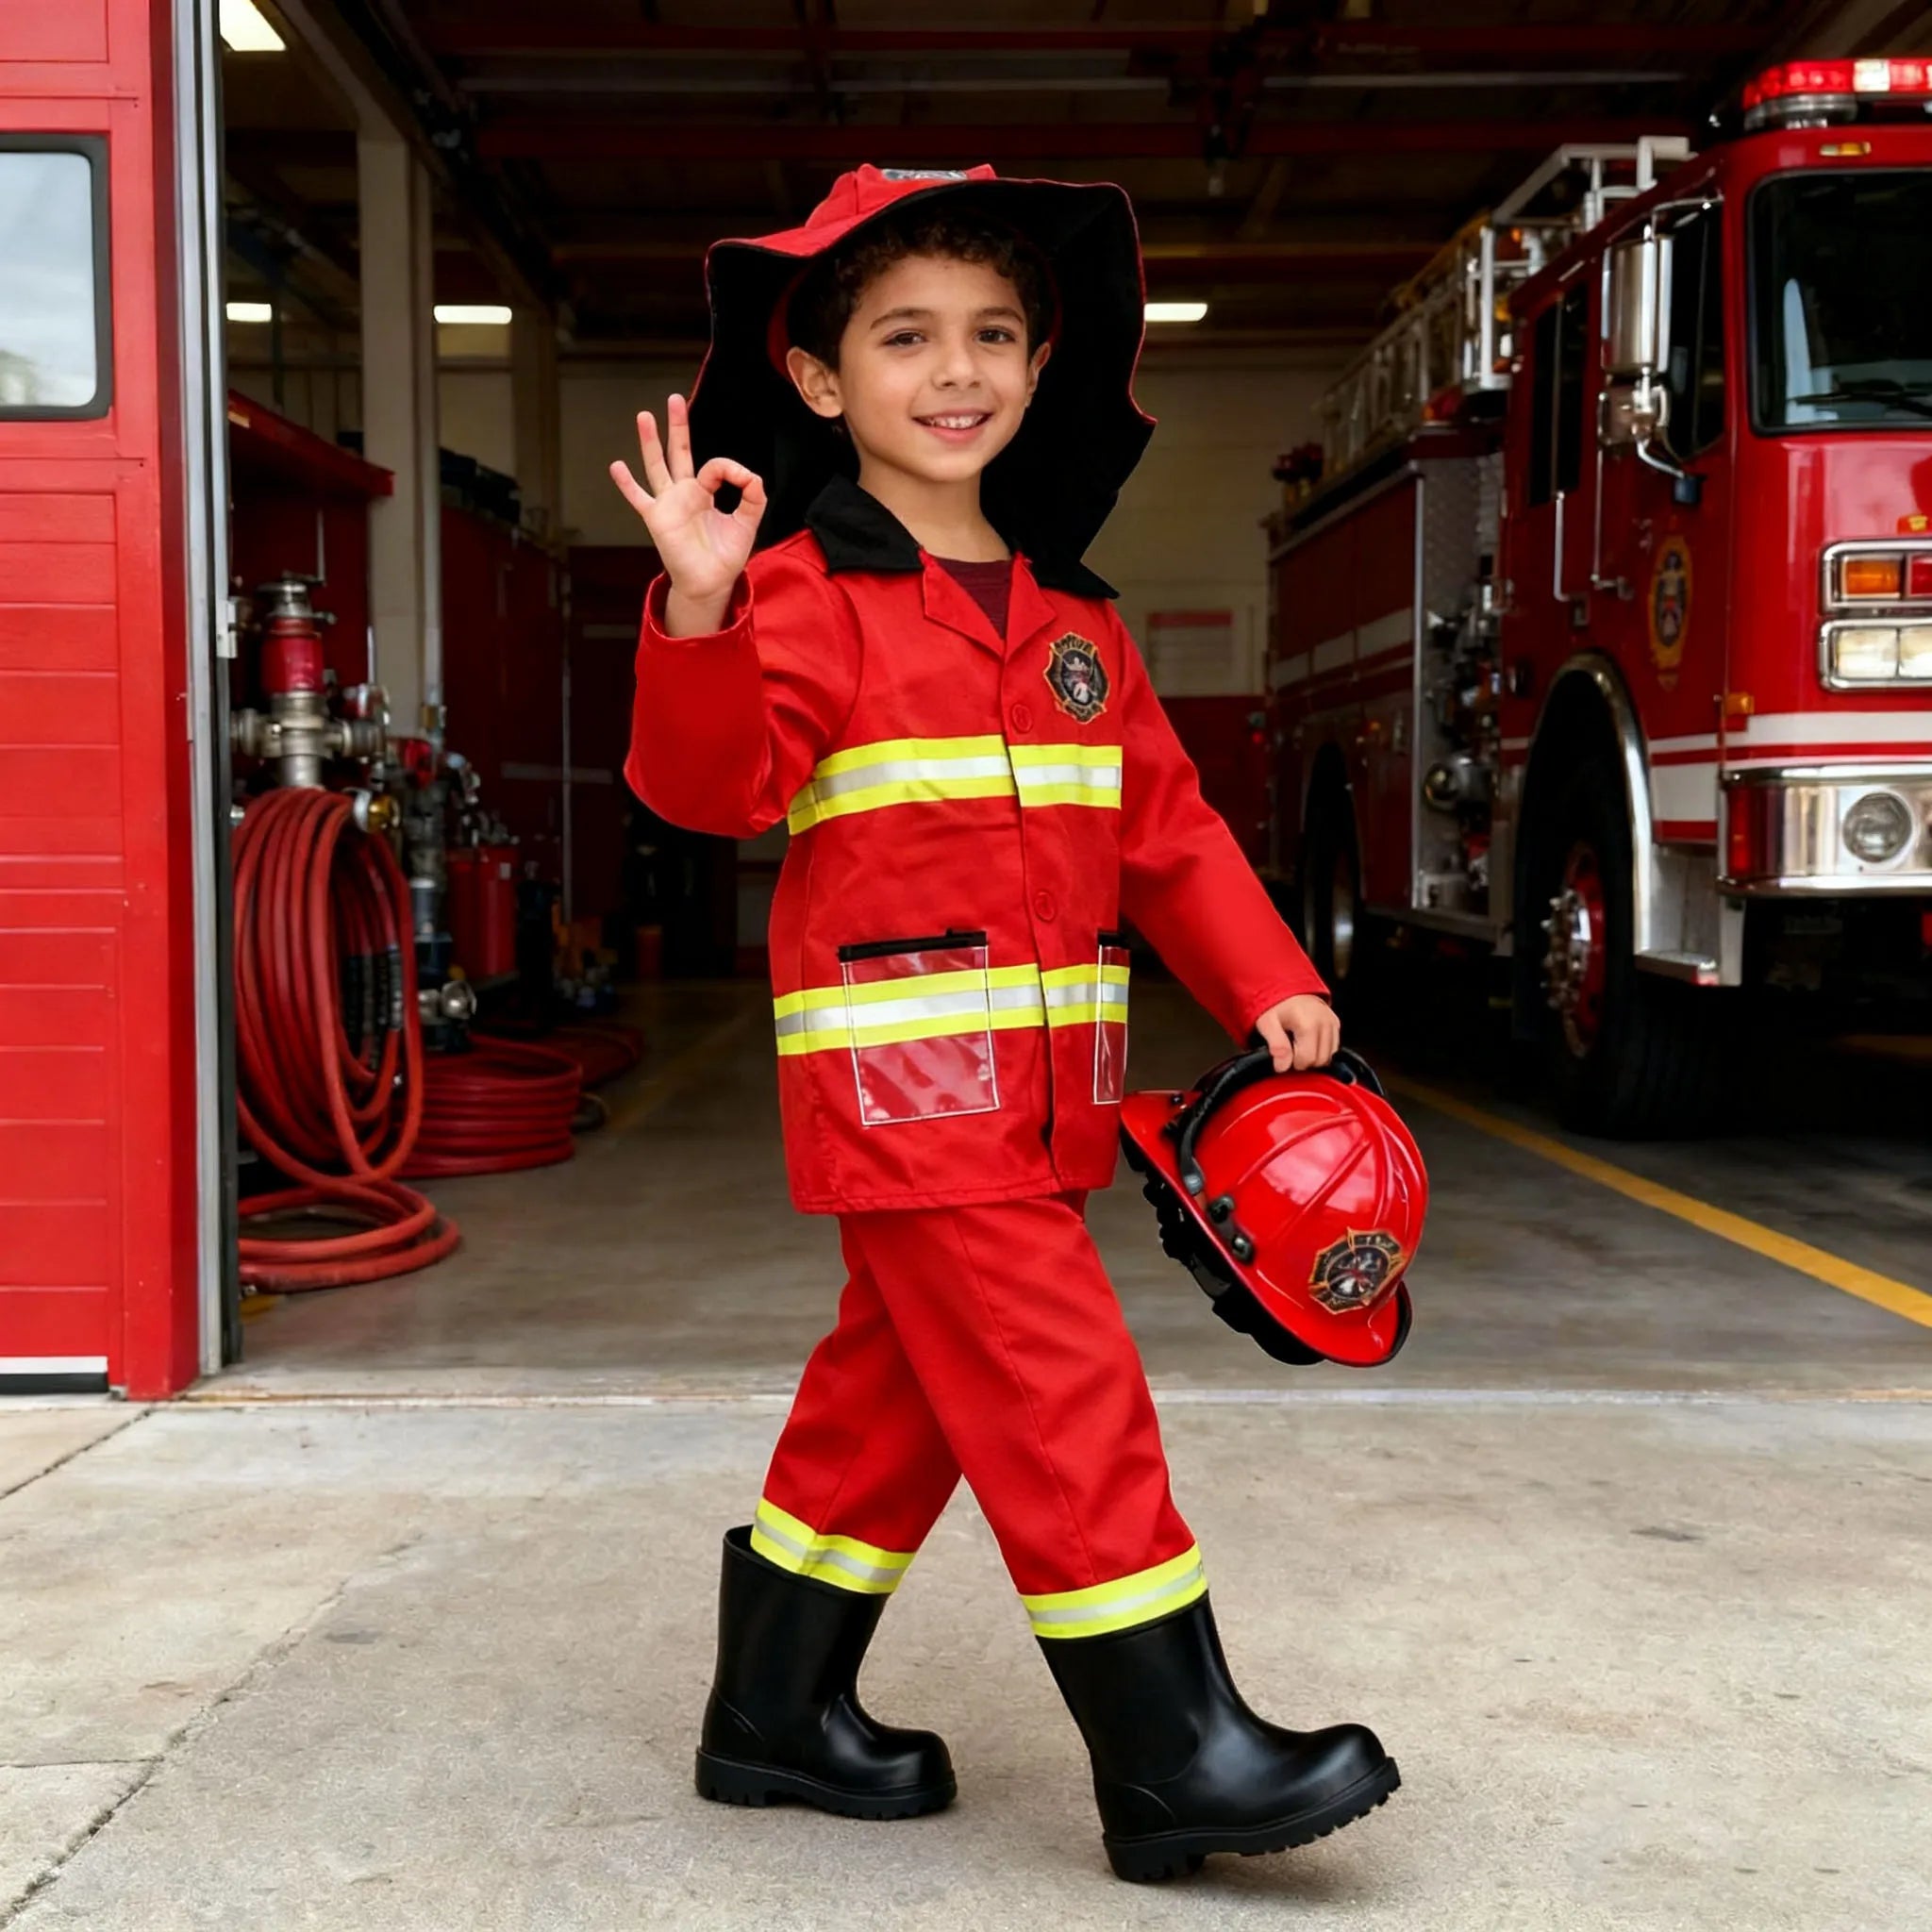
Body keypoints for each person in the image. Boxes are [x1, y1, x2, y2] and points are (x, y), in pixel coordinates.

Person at [614, 163, 1397, 1884]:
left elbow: (1171, 834)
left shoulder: (1078, 626)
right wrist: (694, 607)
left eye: (991, 334)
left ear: (1040, 365)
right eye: (904, 337)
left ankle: (772, 1720)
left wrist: (1277, 982)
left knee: (885, 1409)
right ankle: (1175, 1753)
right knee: (1067, 1397)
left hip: (1040, 1117)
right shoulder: (803, 597)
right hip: (908, 1106)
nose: (954, 369)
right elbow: (708, 788)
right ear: (821, 381)